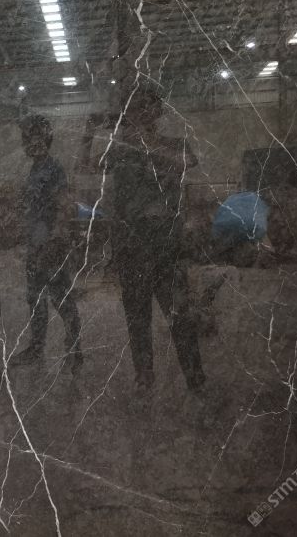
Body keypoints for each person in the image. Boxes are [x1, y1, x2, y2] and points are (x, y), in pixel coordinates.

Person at [107, 86, 206, 395]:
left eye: (147, 106)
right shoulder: (120, 151)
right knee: (137, 318)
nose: (141, 113)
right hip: (132, 243)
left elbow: (188, 165)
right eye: (134, 108)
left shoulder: (175, 145)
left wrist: (146, 147)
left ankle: (195, 379)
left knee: (180, 315)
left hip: (166, 242)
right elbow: (87, 168)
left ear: (159, 111)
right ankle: (144, 376)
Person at [14, 114, 83, 373]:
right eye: (25, 138)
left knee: (60, 297)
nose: (28, 143)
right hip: (36, 244)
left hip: (51, 245)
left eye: (33, 137)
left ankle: (75, 350)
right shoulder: (36, 169)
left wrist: (55, 241)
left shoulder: (53, 169)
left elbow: (65, 206)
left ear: (45, 139)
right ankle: (36, 348)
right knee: (35, 298)